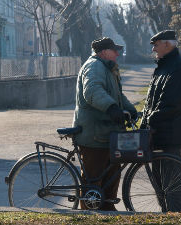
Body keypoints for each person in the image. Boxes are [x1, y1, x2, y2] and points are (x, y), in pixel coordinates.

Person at [72, 37, 137, 211]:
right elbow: (92, 91)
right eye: (114, 50)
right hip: (94, 134)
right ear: (103, 52)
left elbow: (118, 96)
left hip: (108, 133)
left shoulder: (108, 68)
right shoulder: (94, 66)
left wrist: (131, 110)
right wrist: (111, 109)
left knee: (111, 174)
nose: (117, 53)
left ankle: (108, 208)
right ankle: (89, 213)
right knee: (93, 179)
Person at [140, 30, 181, 212]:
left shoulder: (178, 66)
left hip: (170, 134)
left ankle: (177, 216)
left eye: (156, 45)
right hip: (157, 133)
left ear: (167, 44)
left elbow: (172, 102)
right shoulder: (162, 66)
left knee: (172, 184)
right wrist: (144, 118)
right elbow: (151, 100)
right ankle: (166, 214)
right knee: (160, 183)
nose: (153, 49)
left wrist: (151, 118)